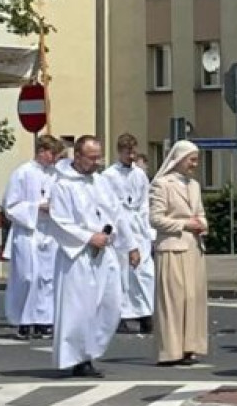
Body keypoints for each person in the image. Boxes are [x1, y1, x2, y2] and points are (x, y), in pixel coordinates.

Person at [50, 135, 136, 378]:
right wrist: (88, 237)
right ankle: (79, 358)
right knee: (80, 310)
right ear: (77, 156)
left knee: (111, 305)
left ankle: (92, 350)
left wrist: (130, 246)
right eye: (92, 157)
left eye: (99, 157)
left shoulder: (101, 181)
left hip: (105, 252)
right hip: (78, 256)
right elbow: (59, 221)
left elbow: (117, 214)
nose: (97, 162)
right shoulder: (63, 185)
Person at [150, 140, 209, 366]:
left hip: (194, 247)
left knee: (193, 299)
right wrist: (184, 224)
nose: (195, 164)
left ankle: (190, 347)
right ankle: (170, 350)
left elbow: (200, 212)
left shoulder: (194, 185)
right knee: (173, 300)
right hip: (172, 248)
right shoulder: (162, 184)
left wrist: (202, 224)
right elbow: (155, 218)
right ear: (179, 159)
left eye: (196, 160)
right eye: (191, 159)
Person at [4, 134, 63, 340]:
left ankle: (44, 320)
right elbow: (10, 206)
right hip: (28, 231)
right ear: (41, 151)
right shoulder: (22, 173)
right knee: (28, 276)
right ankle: (22, 321)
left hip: (50, 232)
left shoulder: (56, 175)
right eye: (52, 154)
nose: (54, 159)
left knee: (48, 277)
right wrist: (37, 207)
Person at [102, 133, 155, 334]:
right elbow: (107, 205)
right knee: (122, 273)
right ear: (119, 152)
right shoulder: (109, 175)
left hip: (138, 227)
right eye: (127, 152)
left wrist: (146, 228)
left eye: (133, 152)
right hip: (119, 228)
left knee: (144, 272)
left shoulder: (139, 175)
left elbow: (144, 203)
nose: (131, 156)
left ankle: (146, 312)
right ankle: (122, 314)